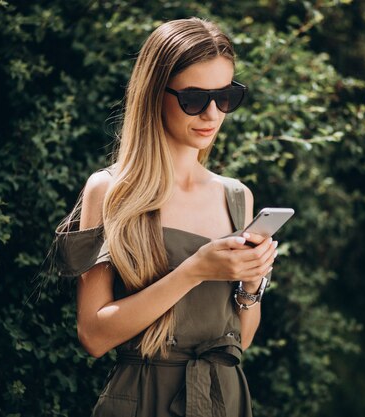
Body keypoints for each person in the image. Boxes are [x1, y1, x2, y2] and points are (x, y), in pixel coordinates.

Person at [51, 17, 277, 417]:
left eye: (225, 96)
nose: (212, 114)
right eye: (194, 98)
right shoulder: (109, 190)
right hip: (141, 399)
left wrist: (252, 280)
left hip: (222, 398)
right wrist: (195, 269)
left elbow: (238, 340)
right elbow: (93, 335)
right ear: (155, 93)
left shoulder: (237, 196)